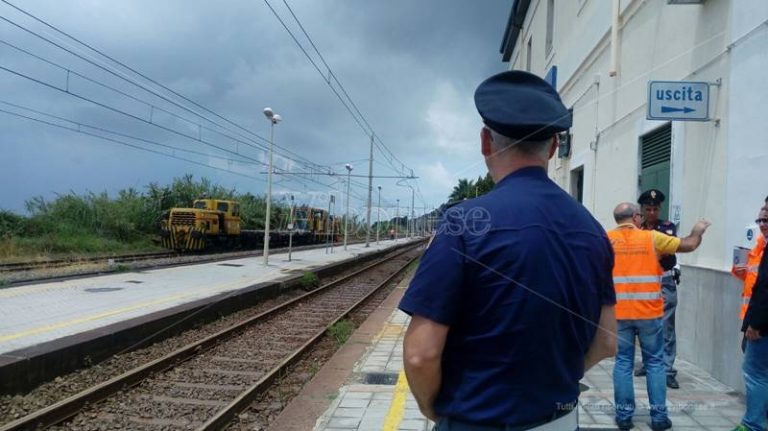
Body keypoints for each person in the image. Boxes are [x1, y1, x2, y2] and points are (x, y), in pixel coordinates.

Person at [399, 70, 617, 431]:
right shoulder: (594, 232)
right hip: (561, 421)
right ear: (552, 146)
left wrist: (435, 410)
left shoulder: (464, 223)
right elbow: (607, 341)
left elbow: (421, 354)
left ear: (486, 141)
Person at [608, 202, 710, 431]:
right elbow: (689, 245)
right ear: (635, 217)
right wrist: (698, 229)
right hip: (649, 312)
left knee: (623, 363)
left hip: (619, 312)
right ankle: (659, 418)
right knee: (655, 362)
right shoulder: (652, 238)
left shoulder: (605, 240)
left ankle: (624, 417)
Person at [633, 189, 682, 389]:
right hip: (643, 283)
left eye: (655, 209)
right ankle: (649, 362)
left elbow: (665, 250)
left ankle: (668, 370)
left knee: (666, 326)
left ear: (659, 209)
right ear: (642, 210)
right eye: (648, 209)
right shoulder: (637, 229)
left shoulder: (667, 227)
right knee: (646, 326)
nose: (652, 212)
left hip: (664, 282)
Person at [732, 206, 768, 431]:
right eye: (760, 220)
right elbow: (754, 282)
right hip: (754, 318)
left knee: (755, 373)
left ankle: (753, 425)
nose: (762, 224)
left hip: (760, 324)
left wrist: (755, 324)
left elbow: (764, 290)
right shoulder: (759, 247)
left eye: (766, 219)